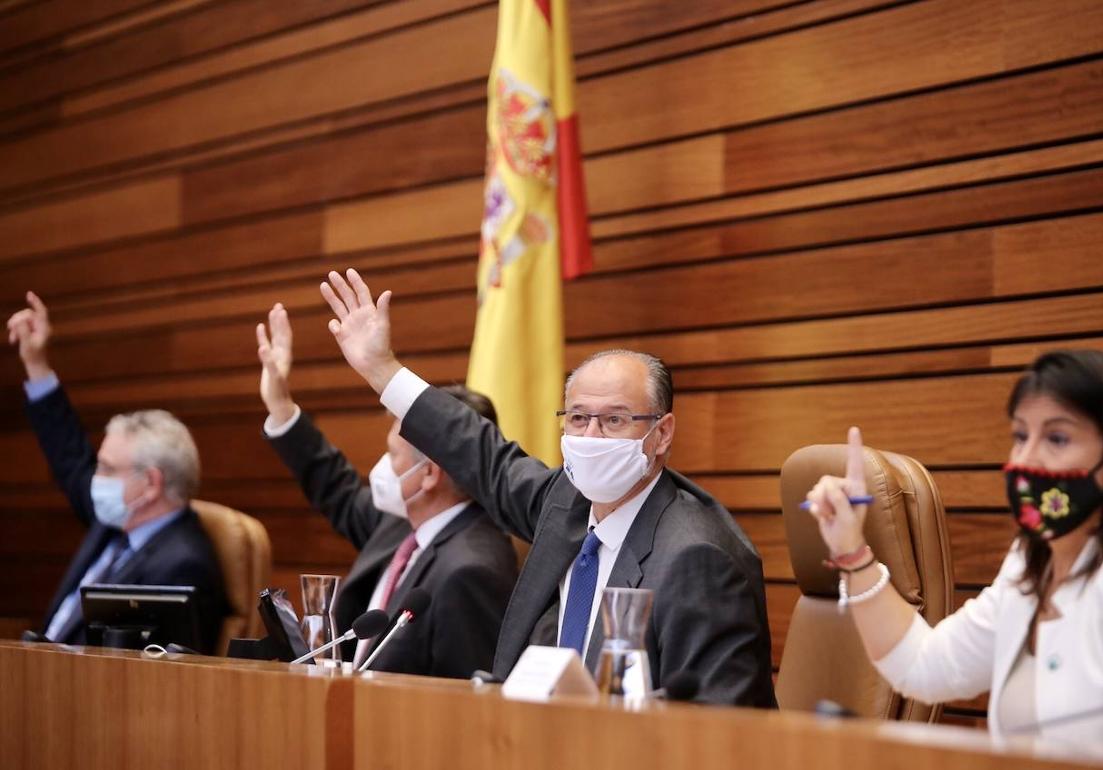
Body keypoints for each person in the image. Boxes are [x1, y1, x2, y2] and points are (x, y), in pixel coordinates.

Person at [317, 269, 776, 706]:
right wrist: (382, 369)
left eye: (615, 420)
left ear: (662, 433)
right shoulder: (567, 504)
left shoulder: (698, 558)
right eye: (578, 418)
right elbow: (480, 453)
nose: (590, 437)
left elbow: (717, 724)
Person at [806, 350, 1103, 761]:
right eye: (1021, 436)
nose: (1026, 459)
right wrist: (851, 550)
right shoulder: (1030, 562)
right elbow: (922, 666)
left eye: (1057, 438)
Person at [255, 302, 518, 676]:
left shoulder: (470, 571)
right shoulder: (406, 525)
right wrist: (281, 407)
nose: (383, 466)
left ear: (430, 474)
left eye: (393, 454)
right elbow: (339, 492)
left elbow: (463, 697)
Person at [7, 292, 227, 649]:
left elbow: (149, 673)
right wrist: (36, 364)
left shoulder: (183, 567)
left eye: (107, 469)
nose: (95, 480)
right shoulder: (117, 522)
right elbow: (69, 457)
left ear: (150, 484)